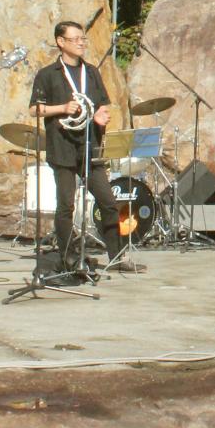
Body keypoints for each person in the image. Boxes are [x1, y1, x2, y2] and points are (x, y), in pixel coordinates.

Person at [29, 20, 145, 274]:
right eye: (75, 39)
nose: (81, 43)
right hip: (62, 146)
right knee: (65, 206)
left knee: (108, 201)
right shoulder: (47, 74)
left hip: (90, 146)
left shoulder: (90, 72)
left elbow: (101, 105)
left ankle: (116, 257)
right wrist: (62, 108)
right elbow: (34, 109)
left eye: (83, 39)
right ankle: (67, 258)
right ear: (60, 42)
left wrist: (101, 116)